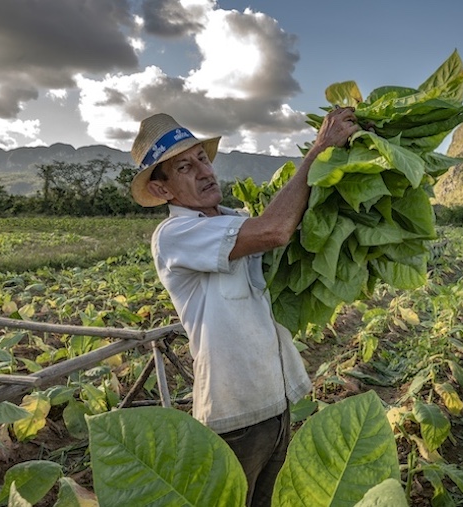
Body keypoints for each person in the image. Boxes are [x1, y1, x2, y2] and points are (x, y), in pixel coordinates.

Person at [129, 109, 358, 506]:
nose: (204, 171)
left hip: (278, 400)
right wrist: (320, 150)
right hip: (235, 413)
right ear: (163, 191)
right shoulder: (175, 235)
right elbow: (277, 229)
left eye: (202, 158)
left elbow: (291, 223)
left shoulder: (235, 219)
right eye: (185, 166)